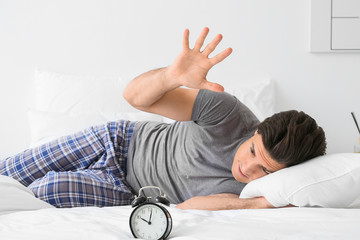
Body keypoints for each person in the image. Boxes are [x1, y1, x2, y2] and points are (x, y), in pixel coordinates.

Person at [0, 28, 326, 210]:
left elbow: (186, 210)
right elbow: (135, 96)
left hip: (130, 191)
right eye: (253, 151)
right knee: (9, 173)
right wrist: (172, 76)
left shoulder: (265, 190)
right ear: (257, 128)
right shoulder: (227, 113)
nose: (248, 169)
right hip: (118, 141)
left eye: (265, 170)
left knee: (49, 189)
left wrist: (255, 205)